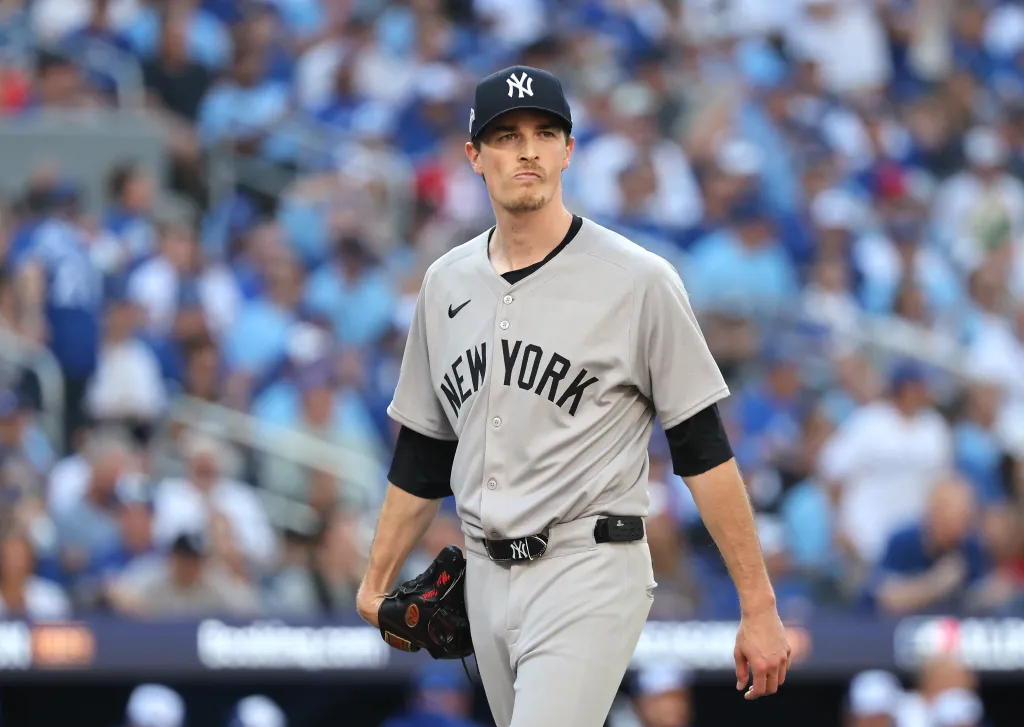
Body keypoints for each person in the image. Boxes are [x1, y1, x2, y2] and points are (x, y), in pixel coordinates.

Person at [356, 64, 790, 727]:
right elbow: (422, 452)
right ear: (474, 156)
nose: (527, 150)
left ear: (568, 150)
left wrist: (758, 604)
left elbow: (702, 449)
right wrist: (375, 580)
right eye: (506, 136)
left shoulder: (638, 279)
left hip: (589, 565)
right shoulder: (445, 283)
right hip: (483, 576)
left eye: (544, 132)